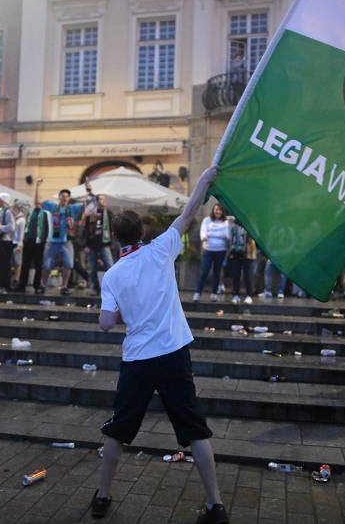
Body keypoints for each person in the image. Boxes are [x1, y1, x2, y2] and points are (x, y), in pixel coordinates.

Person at [94, 166, 227, 523]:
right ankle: (215, 504)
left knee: (118, 428)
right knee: (194, 428)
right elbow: (188, 214)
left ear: (115, 238)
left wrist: (122, 313)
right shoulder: (160, 250)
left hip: (138, 358)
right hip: (173, 353)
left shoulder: (114, 275)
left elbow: (106, 323)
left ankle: (103, 496)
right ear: (143, 232)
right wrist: (204, 180)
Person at [42, 189, 83, 295]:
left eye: (66, 196)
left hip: (66, 241)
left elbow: (87, 204)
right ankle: (43, 285)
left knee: (68, 264)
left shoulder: (72, 208)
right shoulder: (52, 207)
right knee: (47, 265)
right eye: (62, 196)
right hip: (53, 241)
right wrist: (37, 187)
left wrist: (89, 191)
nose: (64, 198)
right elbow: (37, 202)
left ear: (69, 198)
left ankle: (64, 286)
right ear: (59, 197)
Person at [15, 180, 52, 294]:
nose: (37, 202)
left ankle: (37, 285)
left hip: (40, 242)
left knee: (38, 264)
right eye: (36, 201)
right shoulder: (30, 212)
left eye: (39, 201)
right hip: (29, 241)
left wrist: (46, 242)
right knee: (25, 263)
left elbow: (48, 228)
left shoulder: (45, 213)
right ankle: (22, 284)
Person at [194, 203, 230, 301]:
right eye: (216, 209)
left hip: (220, 250)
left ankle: (214, 293)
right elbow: (203, 232)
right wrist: (206, 236)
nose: (218, 212)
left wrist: (211, 234)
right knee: (204, 271)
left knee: (217, 272)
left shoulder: (225, 222)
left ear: (223, 212)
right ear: (213, 210)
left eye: (220, 210)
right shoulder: (207, 220)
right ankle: (198, 293)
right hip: (208, 250)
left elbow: (227, 235)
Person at [82, 194, 114, 295]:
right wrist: (86, 244)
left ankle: (112, 289)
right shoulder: (92, 214)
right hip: (93, 244)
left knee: (110, 266)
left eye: (103, 199)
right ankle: (95, 288)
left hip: (105, 244)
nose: (101, 201)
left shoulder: (108, 213)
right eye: (99, 199)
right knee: (92, 268)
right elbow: (87, 230)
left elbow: (113, 224)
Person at [226, 218, 256, 304]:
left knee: (248, 275)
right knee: (236, 274)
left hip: (248, 253)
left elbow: (256, 236)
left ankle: (249, 295)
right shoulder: (234, 227)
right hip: (235, 252)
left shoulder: (251, 225)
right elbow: (230, 238)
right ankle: (236, 295)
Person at [11, 203, 26, 288]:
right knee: (14, 262)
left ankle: (17, 278)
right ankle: (14, 278)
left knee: (17, 263)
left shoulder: (21, 220)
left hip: (17, 242)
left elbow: (21, 233)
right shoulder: (15, 219)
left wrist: (20, 245)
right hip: (13, 242)